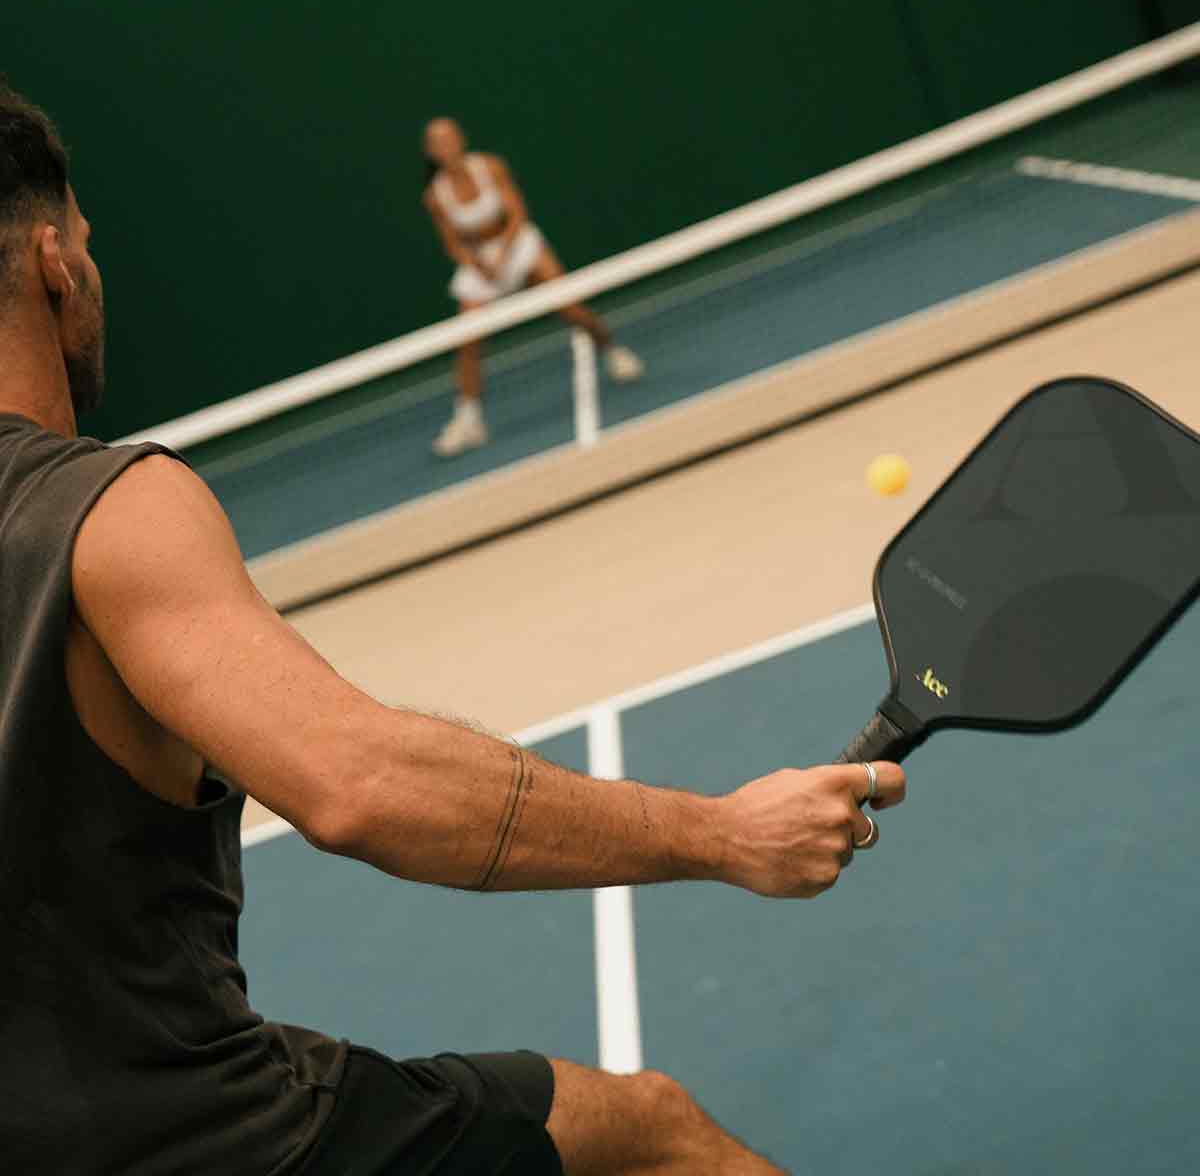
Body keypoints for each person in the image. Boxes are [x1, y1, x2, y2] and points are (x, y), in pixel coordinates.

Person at [0, 82, 905, 1175]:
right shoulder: (110, 514)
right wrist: (724, 833)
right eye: (88, 245)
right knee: (653, 1132)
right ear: (55, 262)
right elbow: (361, 784)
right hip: (188, 1135)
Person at [423, 117, 644, 456]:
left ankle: (612, 350)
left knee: (571, 308)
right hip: (481, 262)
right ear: (431, 152)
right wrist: (478, 264)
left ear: (461, 140)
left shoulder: (491, 167)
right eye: (438, 142)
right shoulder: (435, 196)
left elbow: (516, 213)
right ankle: (468, 419)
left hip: (518, 245)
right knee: (467, 337)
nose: (446, 146)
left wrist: (504, 256)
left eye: (449, 138)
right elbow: (452, 244)